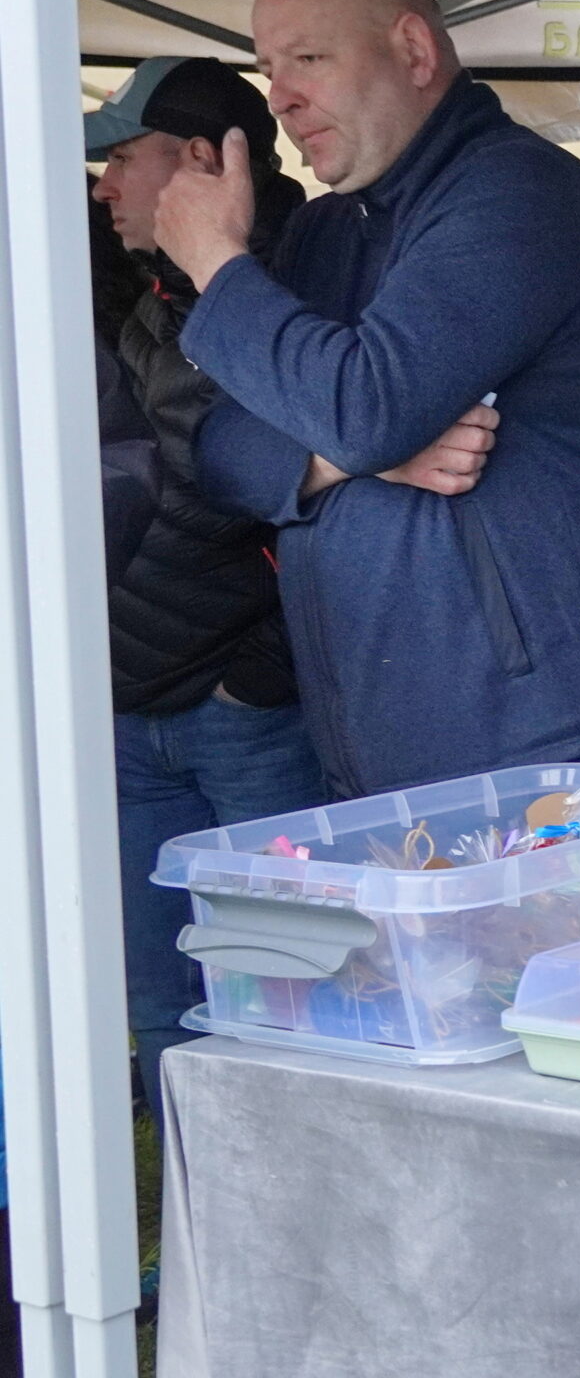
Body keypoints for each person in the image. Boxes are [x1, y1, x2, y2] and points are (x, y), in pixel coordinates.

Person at [150, 0, 580, 797]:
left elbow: (365, 410)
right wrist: (345, 457)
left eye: (308, 58)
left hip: (551, 746)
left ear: (412, 50)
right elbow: (218, 450)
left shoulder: (516, 191)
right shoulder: (324, 232)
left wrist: (217, 264)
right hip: (382, 749)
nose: (280, 96)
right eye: (268, 69)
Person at [89, 57, 333, 1117]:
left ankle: (298, 1200)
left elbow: (334, 508)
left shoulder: (305, 287)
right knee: (160, 1005)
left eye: (121, 158)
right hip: (130, 715)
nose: (104, 186)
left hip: (248, 722)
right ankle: (195, 1208)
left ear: (199, 158)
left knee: (293, 1001)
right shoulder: (148, 304)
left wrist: (259, 681)